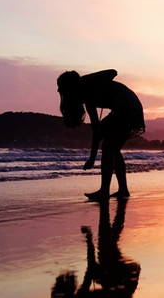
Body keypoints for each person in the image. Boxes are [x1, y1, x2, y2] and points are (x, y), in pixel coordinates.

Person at [57, 69, 145, 200]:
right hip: (125, 109)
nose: (59, 91)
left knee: (108, 146)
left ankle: (104, 191)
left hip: (127, 108)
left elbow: (113, 72)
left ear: (70, 87)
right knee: (113, 149)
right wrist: (92, 158)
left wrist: (91, 84)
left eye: (61, 88)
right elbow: (96, 130)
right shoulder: (88, 100)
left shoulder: (86, 83)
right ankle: (123, 190)